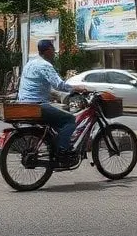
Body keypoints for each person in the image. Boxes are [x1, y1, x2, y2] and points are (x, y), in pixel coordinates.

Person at [16, 39, 89, 167]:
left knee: (57, 119)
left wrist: (58, 96)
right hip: (37, 105)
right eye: (53, 50)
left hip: (25, 104)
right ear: (48, 50)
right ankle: (62, 150)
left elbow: (42, 86)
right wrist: (77, 88)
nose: (54, 53)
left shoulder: (30, 63)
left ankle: (57, 144)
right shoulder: (45, 65)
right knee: (70, 120)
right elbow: (59, 84)